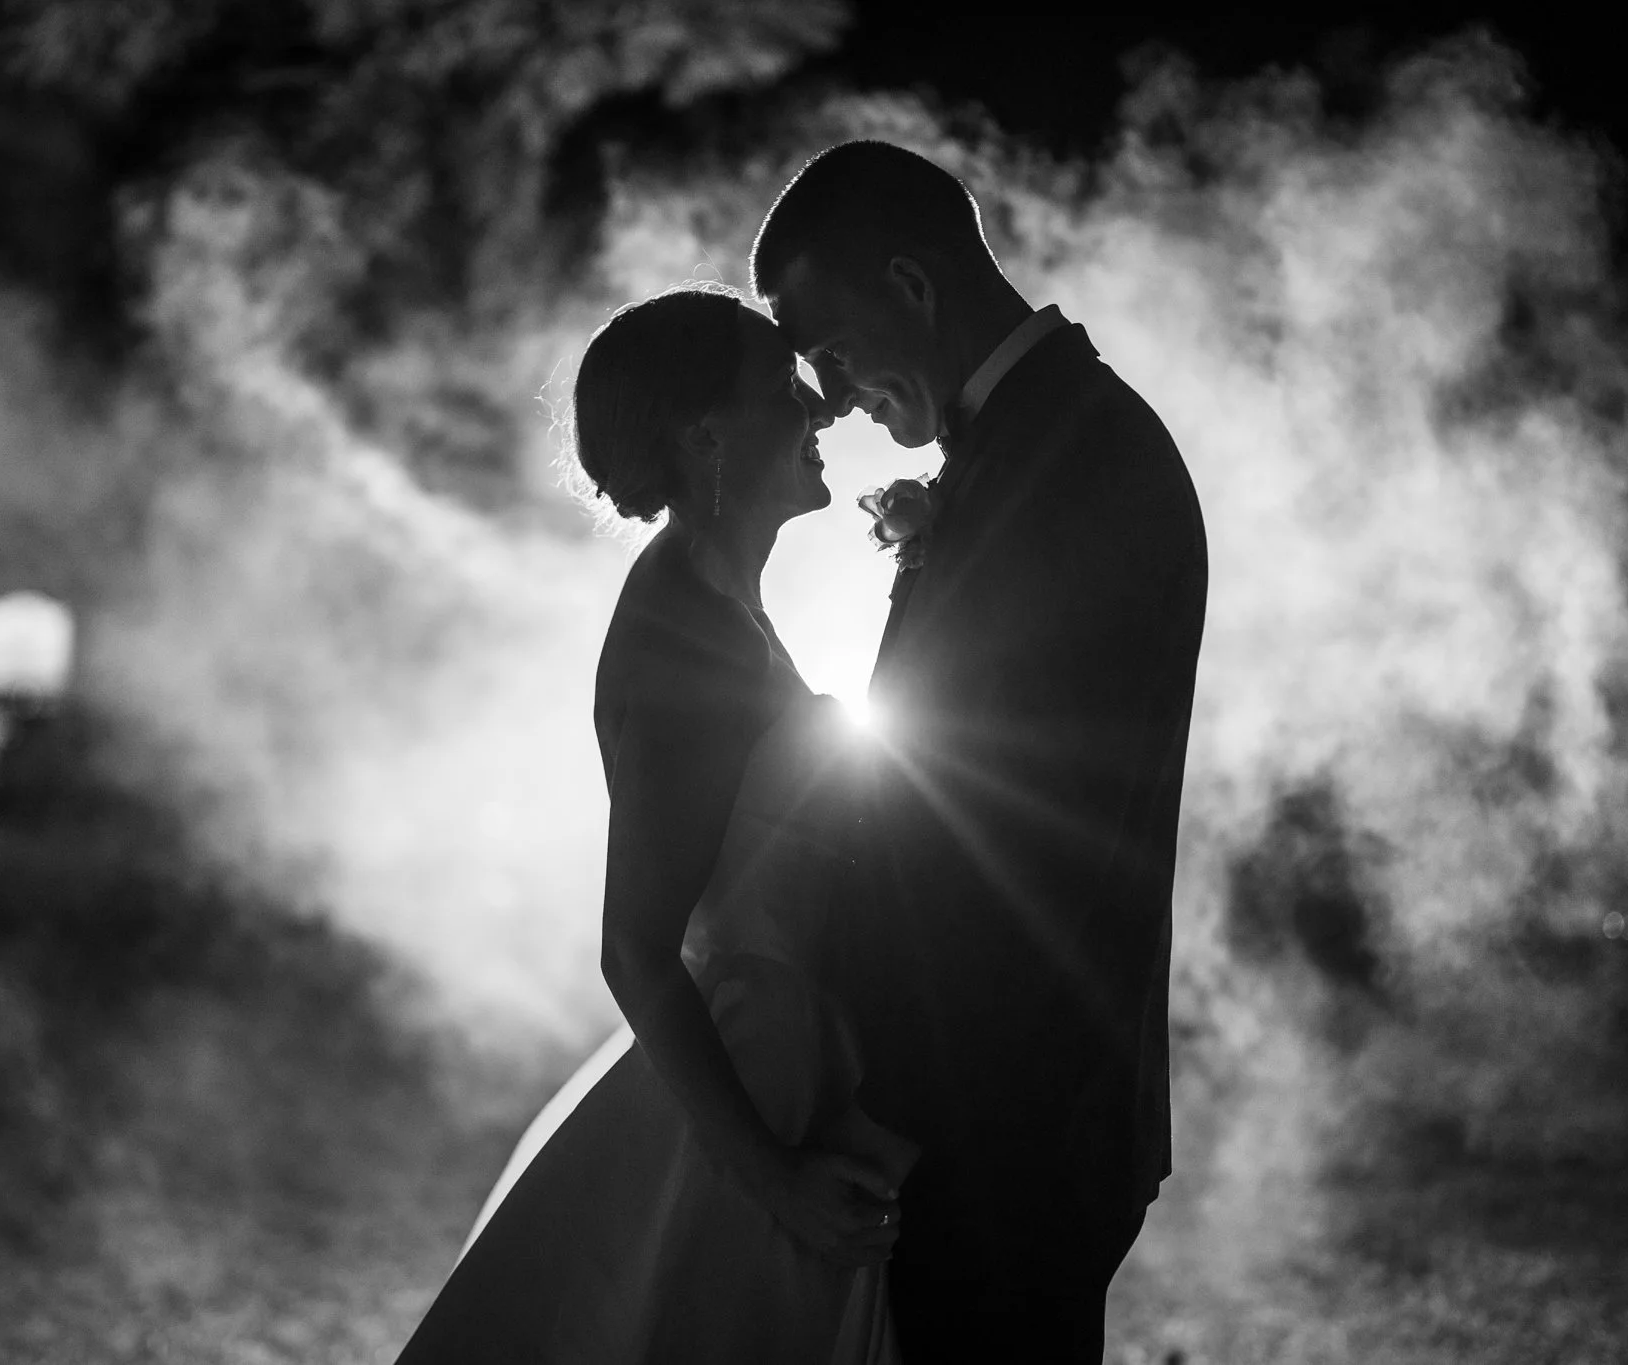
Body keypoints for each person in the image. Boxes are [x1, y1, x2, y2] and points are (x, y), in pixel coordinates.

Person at [389, 282, 919, 1364]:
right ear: (707, 436)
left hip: (791, 1058)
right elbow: (635, 948)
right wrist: (771, 1179)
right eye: (785, 388)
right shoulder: (685, 633)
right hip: (751, 1091)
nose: (819, 409)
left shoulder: (719, 603)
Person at [753, 140, 1210, 1363]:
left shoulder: (1075, 464)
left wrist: (893, 1110)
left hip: (1005, 1109)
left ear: (910, 283)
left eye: (828, 347)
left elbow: (1003, 837)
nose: (832, 394)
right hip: (1008, 1105)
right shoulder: (1037, 442)